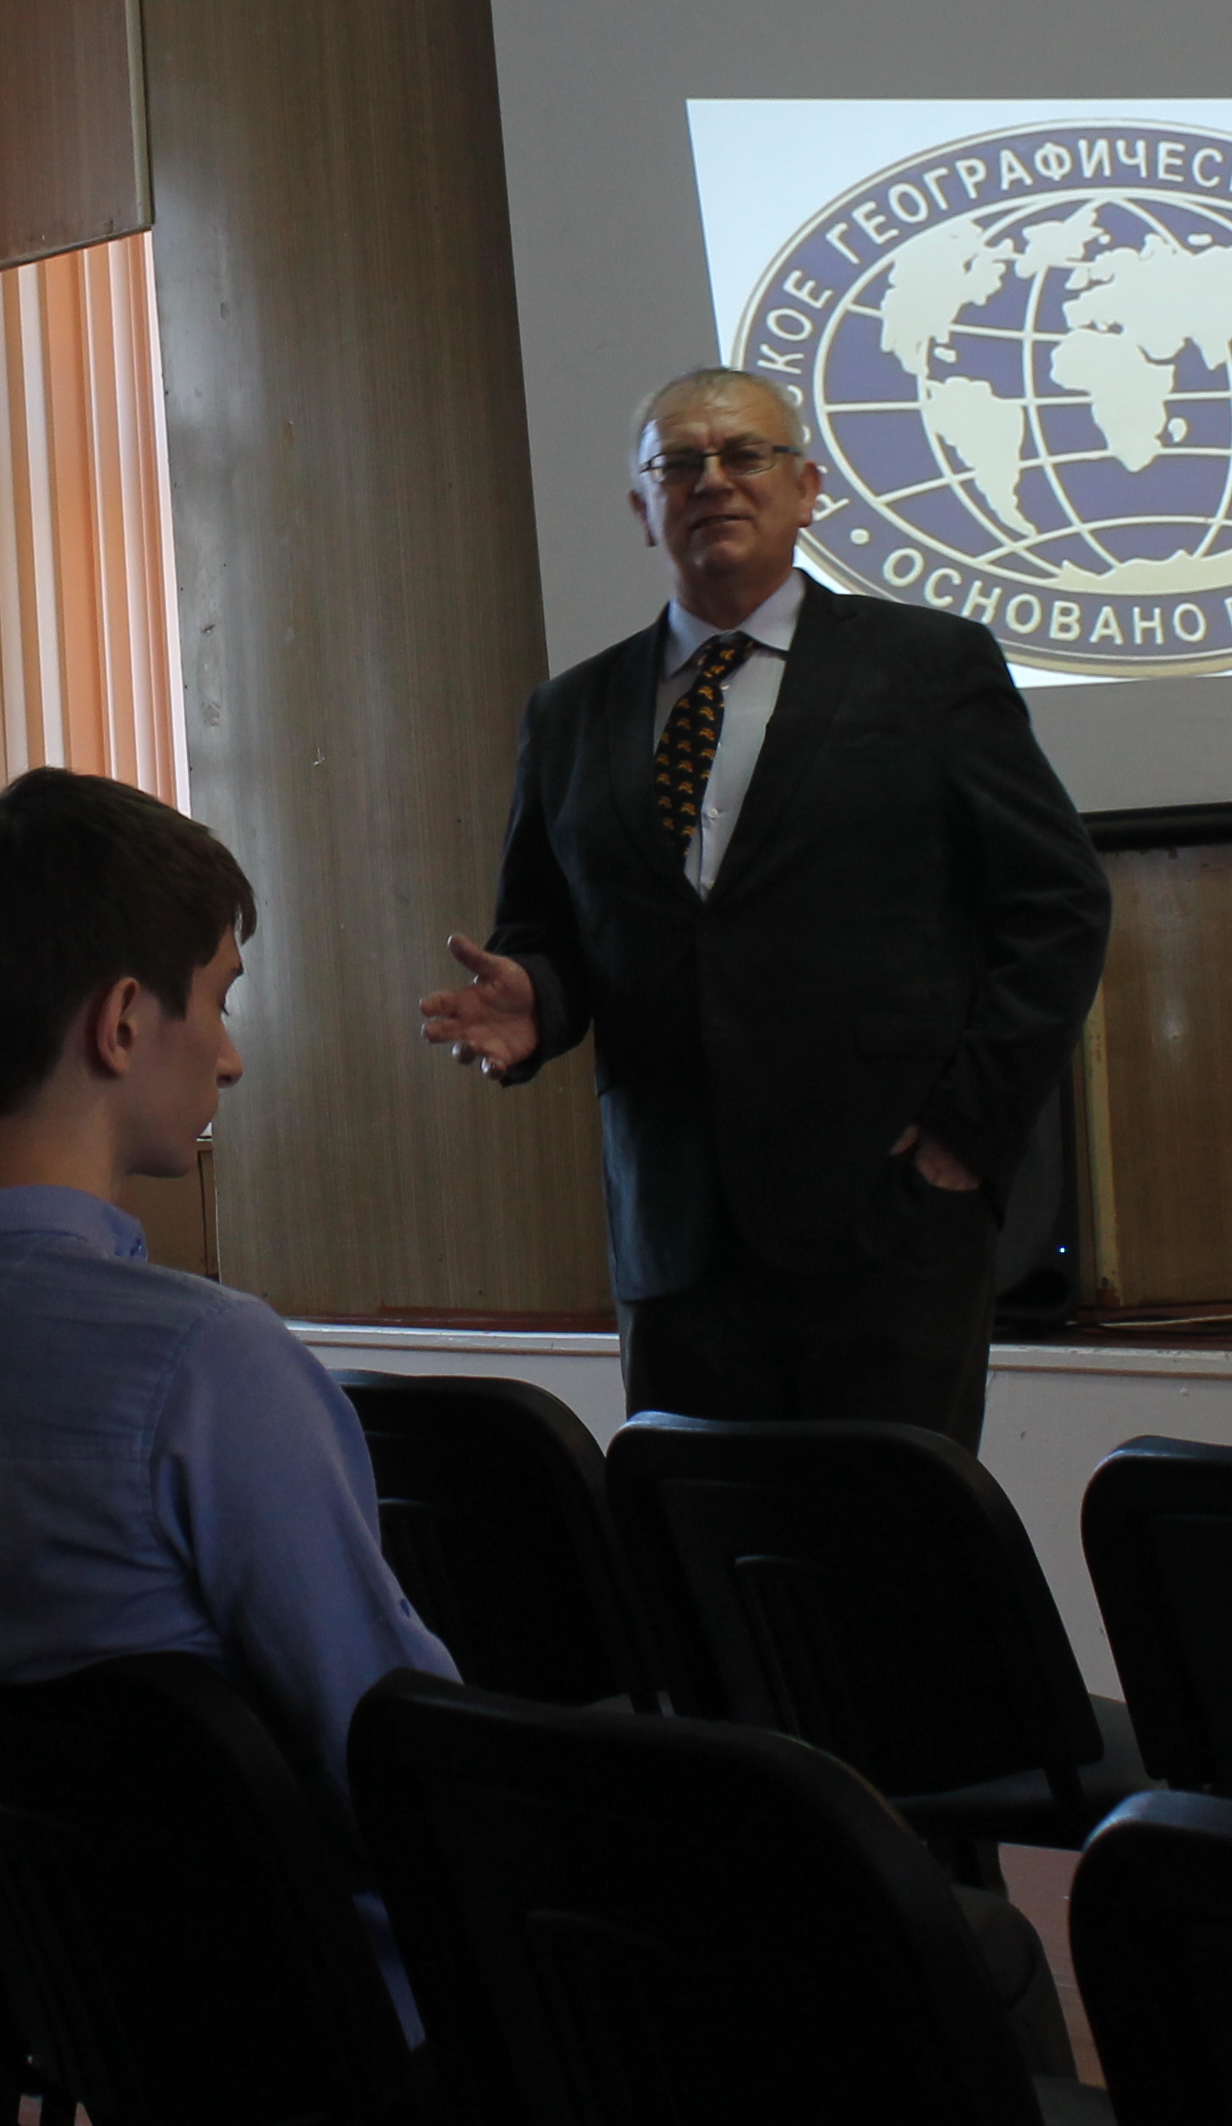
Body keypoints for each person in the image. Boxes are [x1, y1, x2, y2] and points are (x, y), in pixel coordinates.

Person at [420, 368, 1111, 1445]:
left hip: (891, 1215)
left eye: (745, 455)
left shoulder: (929, 668)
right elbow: (549, 933)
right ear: (643, 508)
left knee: (893, 1535)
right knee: (701, 1534)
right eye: (679, 464)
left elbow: (1058, 903)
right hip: (674, 1234)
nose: (713, 481)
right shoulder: (570, 713)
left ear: (805, 488)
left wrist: (965, 1142)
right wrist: (537, 1003)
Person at [0, 769, 453, 1815]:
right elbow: (406, 1759)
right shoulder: (210, 1367)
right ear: (124, 1022)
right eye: (219, 1000)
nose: (229, 1057)